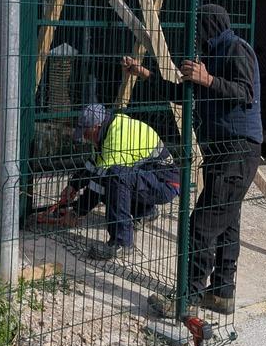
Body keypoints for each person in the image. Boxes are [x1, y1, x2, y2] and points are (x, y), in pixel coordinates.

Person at [122, 3, 262, 315]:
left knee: (201, 224)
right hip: (222, 151)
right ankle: (221, 294)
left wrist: (207, 79)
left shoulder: (236, 49)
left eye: (198, 28)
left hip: (237, 151)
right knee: (226, 225)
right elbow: (181, 93)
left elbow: (245, 93)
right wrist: (144, 74)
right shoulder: (211, 57)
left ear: (209, 27)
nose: (194, 36)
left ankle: (187, 298)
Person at [59, 103, 181, 261]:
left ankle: (122, 242)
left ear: (96, 126)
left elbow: (99, 185)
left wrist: (77, 212)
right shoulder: (109, 130)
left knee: (114, 178)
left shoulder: (118, 136)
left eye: (86, 132)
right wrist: (73, 185)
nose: (84, 137)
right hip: (151, 179)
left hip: (165, 184)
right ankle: (145, 212)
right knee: (114, 178)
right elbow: (94, 165)